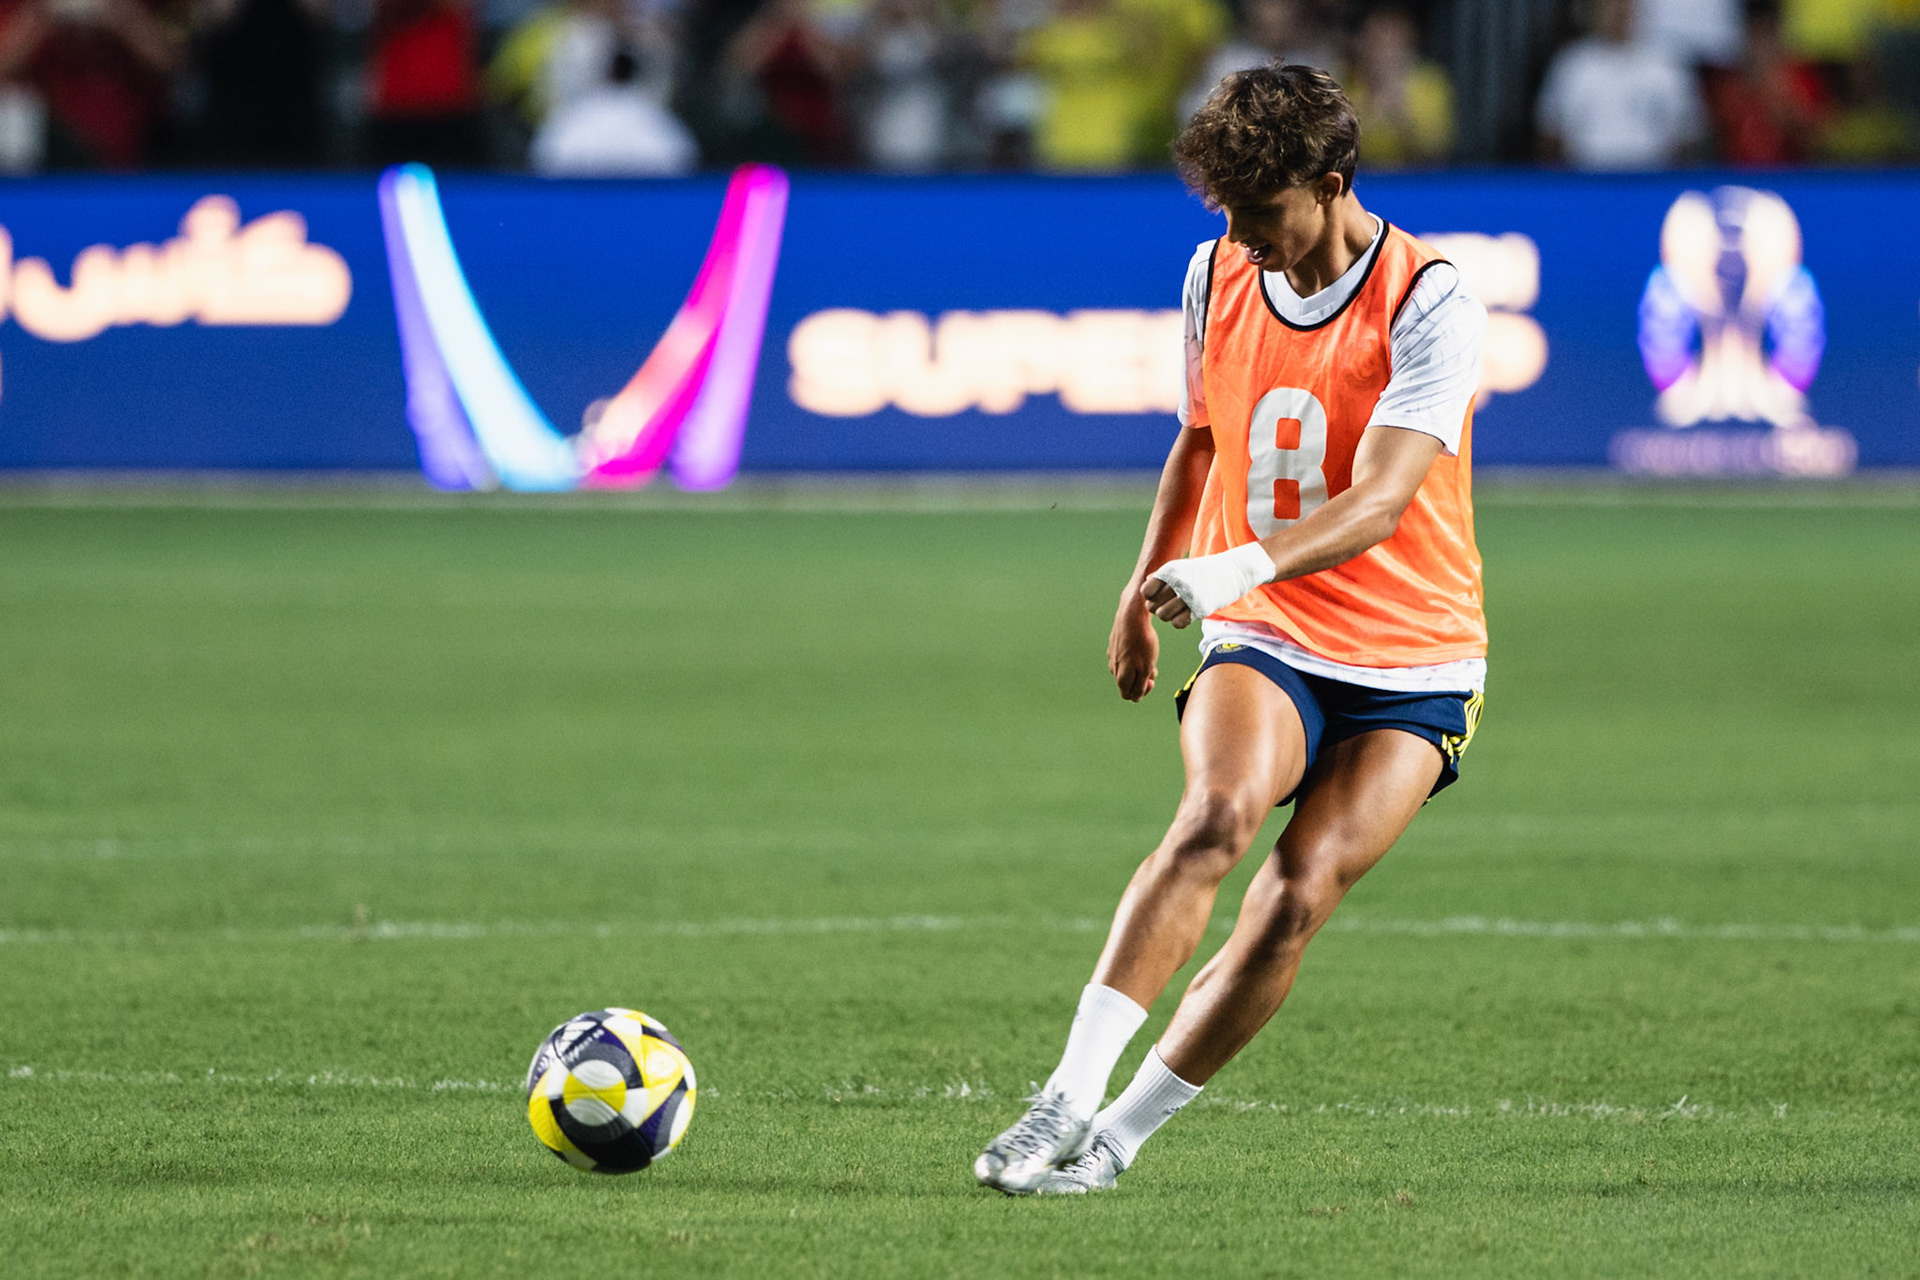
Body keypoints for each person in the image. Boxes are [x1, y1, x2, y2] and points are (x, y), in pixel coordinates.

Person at [973, 62, 1487, 1196]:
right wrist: (1141, 585)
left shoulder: (1429, 297)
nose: (1243, 236)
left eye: (1262, 211)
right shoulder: (1216, 272)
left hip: (1416, 649)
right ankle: (1063, 1096)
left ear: (1332, 184)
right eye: (1229, 213)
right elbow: (1201, 439)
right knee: (1215, 817)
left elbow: (1381, 500)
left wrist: (1229, 563)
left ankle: (1116, 1141)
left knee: (1296, 894)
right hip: (1267, 622)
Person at [1534, 0, 1706, 169]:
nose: (1619, 12)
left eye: (1625, 5)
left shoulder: (1667, 63)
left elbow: (1688, 135)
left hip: (1653, 176)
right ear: (1596, 10)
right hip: (1586, 176)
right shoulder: (1572, 63)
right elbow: (1550, 133)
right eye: (1611, 5)